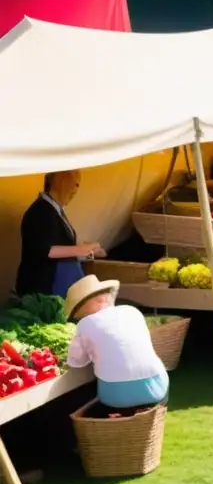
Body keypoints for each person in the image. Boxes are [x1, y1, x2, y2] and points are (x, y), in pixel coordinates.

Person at [65, 275, 169, 410]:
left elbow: (76, 361)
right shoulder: (132, 311)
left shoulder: (85, 324)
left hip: (115, 396)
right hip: (157, 385)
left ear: (84, 306)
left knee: (98, 392)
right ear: (106, 298)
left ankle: (116, 417)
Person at [16, 170, 107, 297]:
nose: (77, 188)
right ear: (60, 181)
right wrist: (81, 250)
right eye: (75, 183)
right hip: (41, 293)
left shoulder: (56, 211)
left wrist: (90, 253)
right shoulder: (40, 211)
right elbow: (47, 251)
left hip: (56, 288)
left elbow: (63, 250)